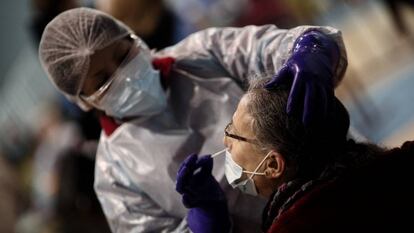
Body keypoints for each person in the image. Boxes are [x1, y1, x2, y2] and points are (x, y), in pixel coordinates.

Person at [38, 7, 347, 232]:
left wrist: (312, 51)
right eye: (102, 80)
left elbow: (281, 45)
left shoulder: (203, 54)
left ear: (134, 38)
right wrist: (205, 223)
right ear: (83, 101)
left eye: (122, 55)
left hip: (337, 192)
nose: (124, 76)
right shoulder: (115, 175)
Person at [176, 77, 414, 233]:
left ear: (272, 164)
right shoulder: (396, 166)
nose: (224, 141)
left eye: (234, 135)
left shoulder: (293, 225)